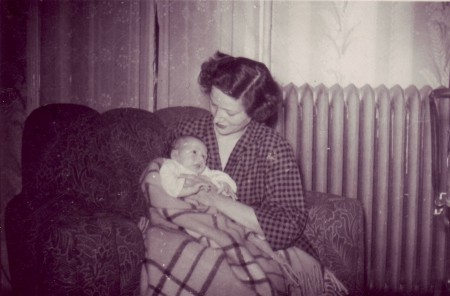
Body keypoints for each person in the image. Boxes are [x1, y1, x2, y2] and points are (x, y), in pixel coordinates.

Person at [140, 51, 348, 295]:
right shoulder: (188, 130)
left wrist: (215, 200)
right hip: (192, 229)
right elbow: (161, 178)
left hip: (253, 241)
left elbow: (289, 223)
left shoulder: (273, 147)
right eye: (214, 105)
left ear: (255, 111)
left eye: (230, 112)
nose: (218, 118)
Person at [160, 135, 238, 200]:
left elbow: (216, 175)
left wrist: (224, 184)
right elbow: (168, 183)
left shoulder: (203, 172)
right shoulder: (171, 165)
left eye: (204, 156)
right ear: (175, 155)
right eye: (194, 152)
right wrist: (191, 190)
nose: (201, 159)